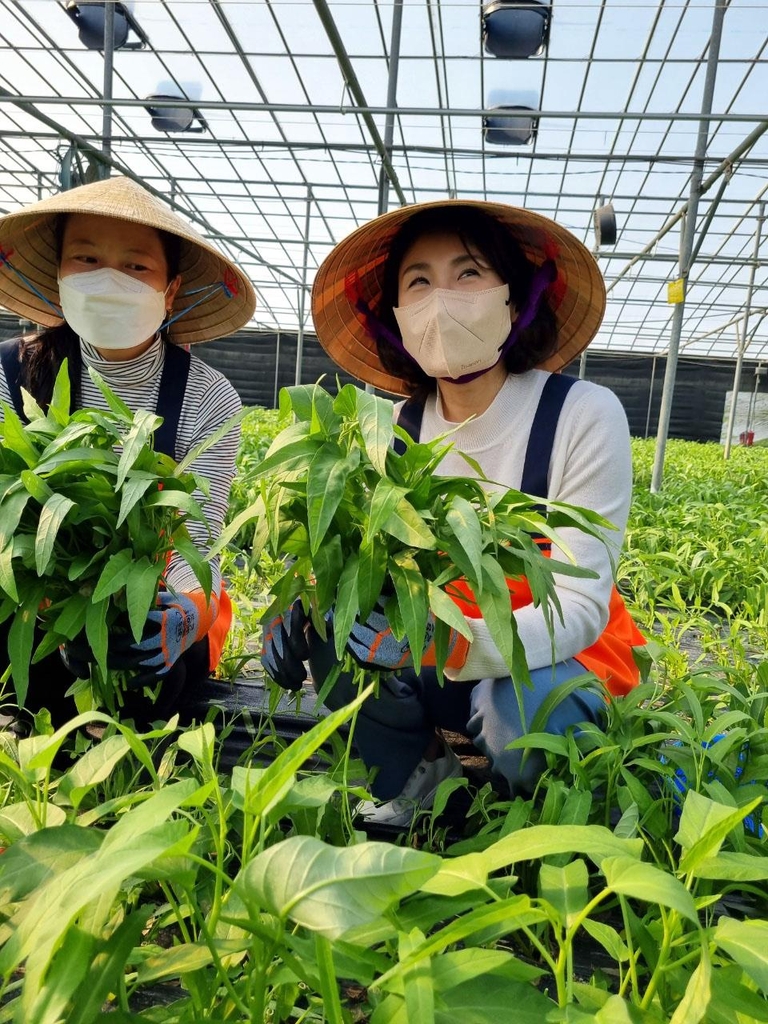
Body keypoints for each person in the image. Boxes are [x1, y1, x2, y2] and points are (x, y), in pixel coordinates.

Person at [262, 199, 645, 827]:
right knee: (335, 625)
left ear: (514, 301)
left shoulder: (580, 414)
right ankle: (419, 774)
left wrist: (441, 642)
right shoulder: (390, 431)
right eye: (419, 282)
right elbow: (357, 568)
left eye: (468, 274)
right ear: (398, 319)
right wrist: (298, 598)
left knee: (521, 715)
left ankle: (527, 809)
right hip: (430, 652)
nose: (442, 299)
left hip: (554, 657)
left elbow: (576, 610)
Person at [0, 174, 256, 726]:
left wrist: (185, 616)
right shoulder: (11, 373)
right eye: (86, 260)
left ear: (169, 291)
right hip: (33, 605)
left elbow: (199, 548)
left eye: (136, 266)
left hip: (146, 599)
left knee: (144, 667)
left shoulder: (206, 396)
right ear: (60, 275)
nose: (109, 280)